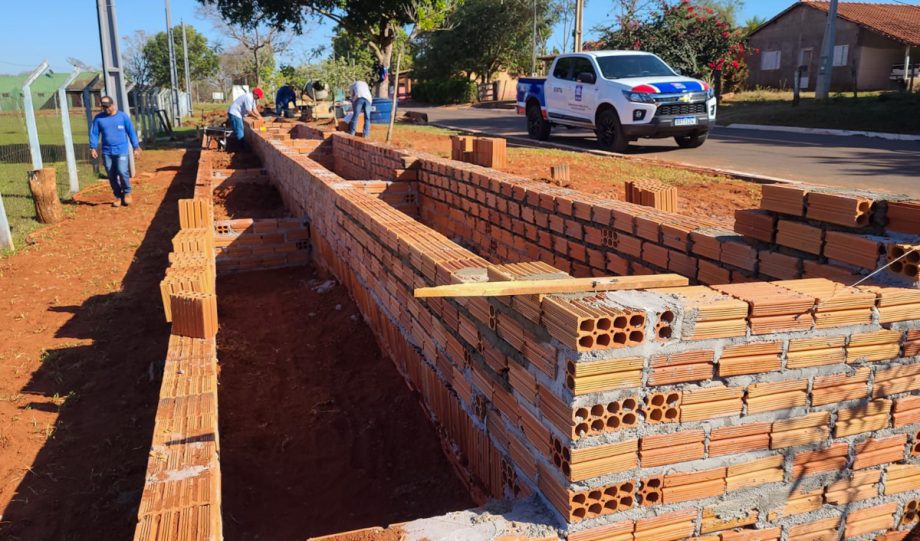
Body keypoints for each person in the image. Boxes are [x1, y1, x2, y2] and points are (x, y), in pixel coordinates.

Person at [90, 96, 141, 207]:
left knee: (122, 171)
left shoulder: (123, 117)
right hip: (107, 152)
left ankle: (127, 193)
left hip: (121, 150)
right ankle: (118, 196)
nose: (106, 109)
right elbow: (94, 133)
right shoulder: (99, 118)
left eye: (107, 107)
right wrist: (93, 147)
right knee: (111, 175)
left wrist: (135, 147)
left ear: (113, 105)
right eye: (103, 107)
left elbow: (131, 132)